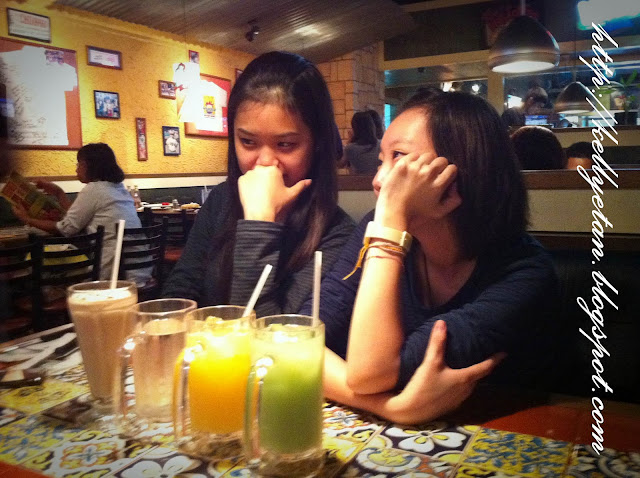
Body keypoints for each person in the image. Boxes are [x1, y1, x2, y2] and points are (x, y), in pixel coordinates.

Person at [301, 90, 558, 424]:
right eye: (381, 161)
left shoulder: (525, 274)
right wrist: (392, 408)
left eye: (399, 158)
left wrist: (390, 225)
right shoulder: (378, 227)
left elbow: (369, 373)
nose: (379, 180)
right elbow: (296, 340)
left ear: (456, 173)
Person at [162, 51, 354, 315]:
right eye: (248, 142)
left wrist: (259, 223)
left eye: (285, 144)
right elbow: (181, 293)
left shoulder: (339, 236)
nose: (264, 163)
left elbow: (274, 335)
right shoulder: (221, 200)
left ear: (317, 143)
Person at [11, 143, 149, 285]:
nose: (76, 169)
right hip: (140, 271)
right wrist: (59, 193)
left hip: (113, 277)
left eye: (78, 164)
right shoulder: (118, 189)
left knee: (37, 270)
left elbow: (66, 229)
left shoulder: (94, 189)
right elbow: (78, 218)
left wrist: (26, 219)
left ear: (87, 165)